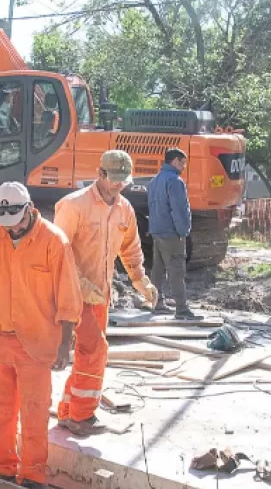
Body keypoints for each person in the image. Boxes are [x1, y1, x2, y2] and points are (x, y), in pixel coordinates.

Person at [0, 182, 82, 489]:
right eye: (4, 223)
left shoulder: (53, 241)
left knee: (33, 414)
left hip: (37, 341)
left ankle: (33, 475)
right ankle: (3, 465)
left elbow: (69, 298)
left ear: (29, 210)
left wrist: (64, 344)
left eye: (16, 222)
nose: (11, 229)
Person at [54, 150, 159, 436]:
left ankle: (68, 410)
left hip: (100, 295)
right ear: (99, 174)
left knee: (89, 352)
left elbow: (130, 248)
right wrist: (79, 284)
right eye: (114, 179)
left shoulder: (124, 209)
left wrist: (141, 282)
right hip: (72, 294)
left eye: (123, 181)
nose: (119, 185)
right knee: (94, 350)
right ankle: (82, 415)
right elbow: (56, 253)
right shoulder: (73, 206)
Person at [147, 148, 202, 320]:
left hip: (156, 230)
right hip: (171, 233)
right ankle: (182, 309)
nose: (184, 166)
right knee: (177, 270)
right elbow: (179, 210)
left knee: (158, 268)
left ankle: (157, 303)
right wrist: (183, 231)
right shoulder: (175, 181)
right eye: (183, 162)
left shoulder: (154, 180)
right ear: (175, 161)